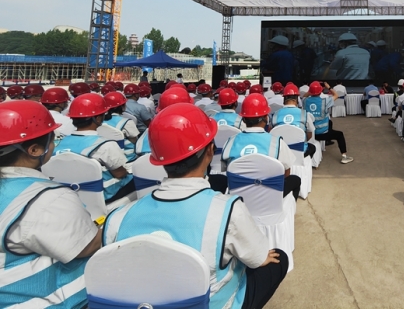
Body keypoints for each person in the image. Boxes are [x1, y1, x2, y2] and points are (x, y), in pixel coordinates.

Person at [103, 103, 288, 308]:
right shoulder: (227, 210)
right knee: (280, 259)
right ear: (210, 150)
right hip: (213, 304)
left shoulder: (117, 218)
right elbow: (258, 258)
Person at [0, 101, 103, 307]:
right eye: (52, 138)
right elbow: (86, 246)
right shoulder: (48, 199)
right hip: (31, 299)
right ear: (35, 149)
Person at [55, 93, 135, 204]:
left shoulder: (58, 143)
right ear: (97, 119)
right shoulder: (105, 145)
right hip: (104, 196)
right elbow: (120, 173)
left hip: (67, 196)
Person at [222, 94, 301, 200]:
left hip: (238, 198)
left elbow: (227, 171)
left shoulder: (229, 142)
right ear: (266, 117)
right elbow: (286, 173)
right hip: (269, 197)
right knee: (295, 179)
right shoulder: (277, 143)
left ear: (243, 119)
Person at [304, 81, 353, 164]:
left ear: (310, 91)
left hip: (309, 133)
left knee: (329, 122)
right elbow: (336, 95)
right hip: (322, 133)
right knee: (339, 135)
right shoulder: (325, 101)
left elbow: (304, 96)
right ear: (321, 91)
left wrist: (311, 90)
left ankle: (327, 142)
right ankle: (344, 156)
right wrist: (329, 87)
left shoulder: (305, 101)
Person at [270, 84, 317, 160]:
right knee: (312, 147)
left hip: (280, 152)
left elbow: (272, 134)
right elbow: (309, 135)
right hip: (300, 152)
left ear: (284, 99)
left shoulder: (274, 115)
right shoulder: (305, 114)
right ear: (297, 99)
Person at [103, 91, 140, 161]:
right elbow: (135, 140)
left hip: (107, 158)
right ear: (122, 106)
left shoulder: (99, 122)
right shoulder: (127, 122)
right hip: (128, 159)